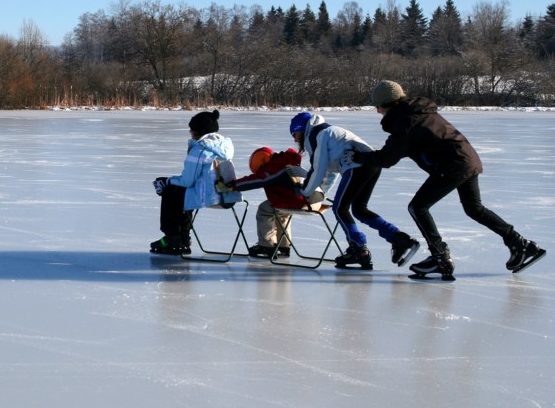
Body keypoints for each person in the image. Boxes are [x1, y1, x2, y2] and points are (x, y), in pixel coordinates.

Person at [348, 80, 546, 279]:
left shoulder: (406, 122)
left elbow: (386, 159)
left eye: (377, 106)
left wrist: (358, 157)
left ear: (387, 103)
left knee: (418, 207)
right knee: (474, 208)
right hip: (466, 159)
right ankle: (520, 243)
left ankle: (440, 258)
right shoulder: (417, 111)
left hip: (452, 165)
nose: (377, 111)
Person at [289, 112, 420, 270]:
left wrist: (304, 191)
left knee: (340, 209)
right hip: (370, 165)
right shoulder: (324, 133)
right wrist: (320, 193)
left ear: (301, 129)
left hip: (357, 166)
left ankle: (359, 249)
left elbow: (318, 169)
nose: (295, 139)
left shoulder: (318, 135)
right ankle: (399, 239)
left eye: (294, 134)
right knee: (359, 209)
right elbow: (329, 172)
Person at [151, 110, 241, 255]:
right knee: (179, 193)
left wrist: (166, 181)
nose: (189, 131)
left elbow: (187, 180)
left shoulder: (200, 149)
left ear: (197, 131)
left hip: (210, 196)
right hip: (228, 195)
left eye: (191, 129)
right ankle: (182, 239)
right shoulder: (224, 146)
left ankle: (173, 238)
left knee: (170, 192)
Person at [226, 146, 324, 258]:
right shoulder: (287, 163)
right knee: (281, 211)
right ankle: (283, 246)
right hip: (316, 201)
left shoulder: (276, 167)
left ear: (261, 162)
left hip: (303, 201)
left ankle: (267, 245)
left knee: (264, 209)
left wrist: (233, 185)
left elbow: (258, 180)